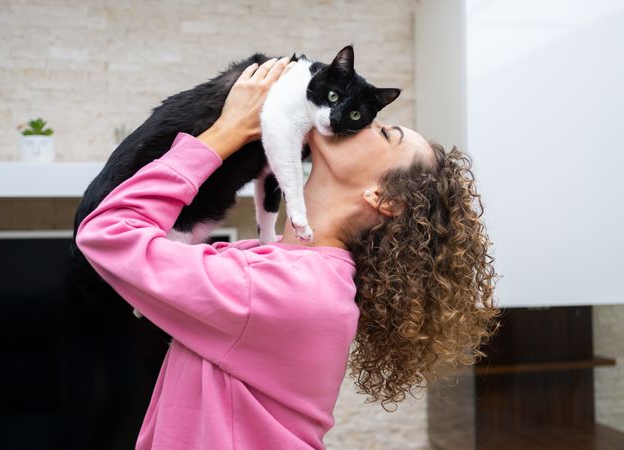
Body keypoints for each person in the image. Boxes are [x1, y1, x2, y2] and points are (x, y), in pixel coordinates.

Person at [76, 56, 499, 450]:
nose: (368, 123)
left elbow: (105, 234)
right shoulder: (287, 270)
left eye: (386, 133)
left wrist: (226, 131)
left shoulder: (286, 289)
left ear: (384, 199)